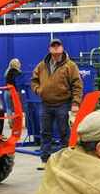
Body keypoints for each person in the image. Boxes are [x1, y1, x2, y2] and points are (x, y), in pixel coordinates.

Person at [30, 39, 81, 169]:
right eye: (53, 46)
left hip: (63, 104)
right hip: (46, 104)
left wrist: (75, 103)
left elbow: (77, 85)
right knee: (45, 133)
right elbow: (34, 80)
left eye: (58, 46)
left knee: (64, 133)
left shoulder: (70, 66)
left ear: (62, 48)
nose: (56, 48)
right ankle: (45, 160)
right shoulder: (42, 65)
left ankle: (65, 161)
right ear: (49, 49)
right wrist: (38, 90)